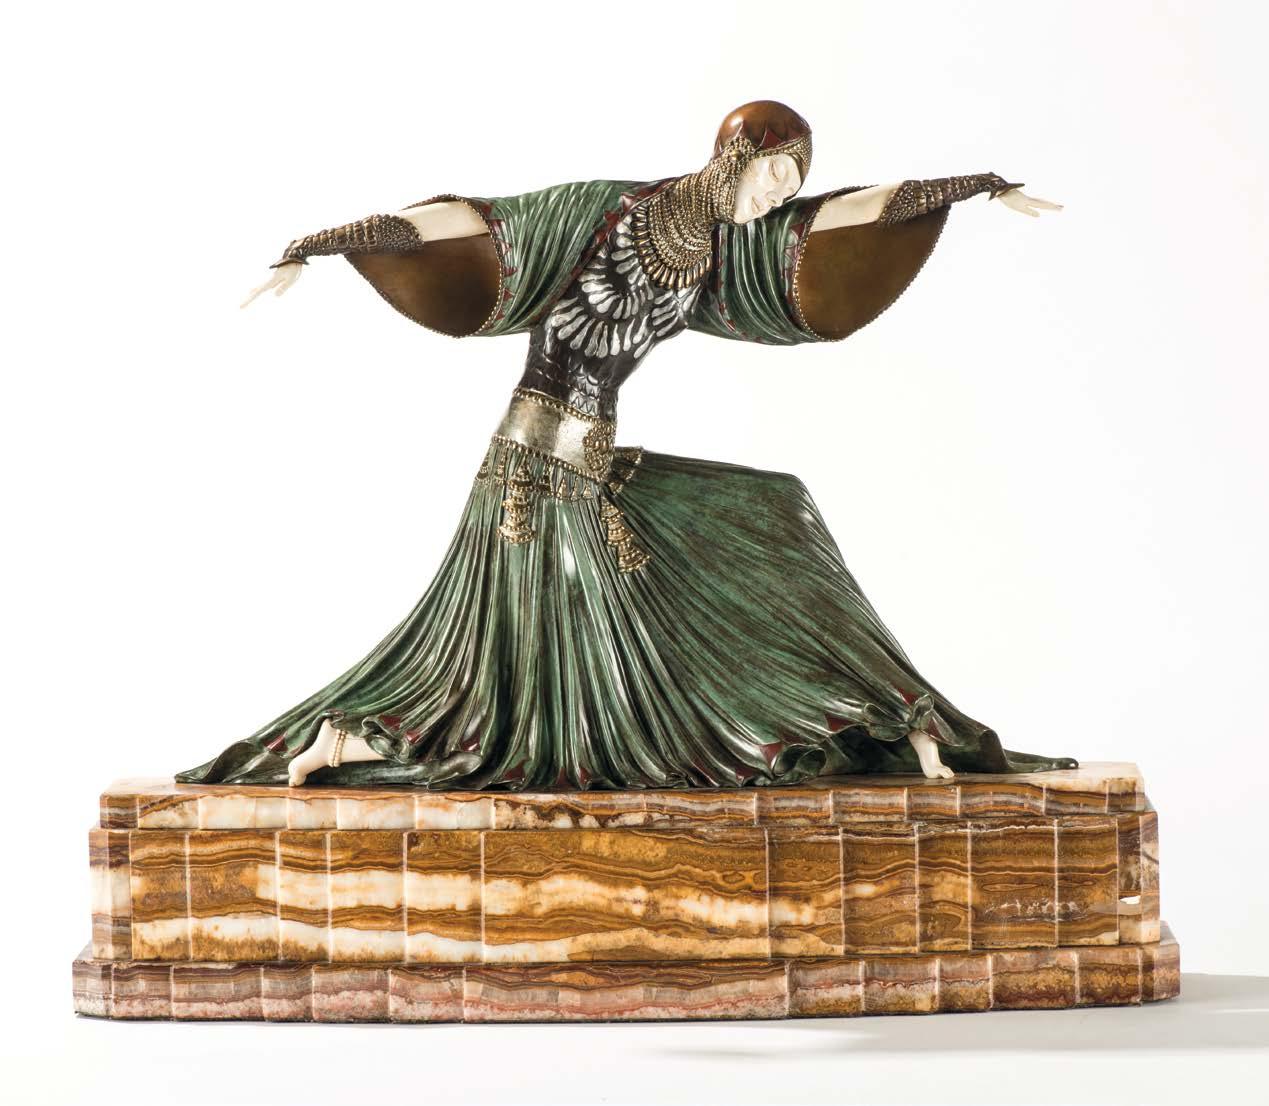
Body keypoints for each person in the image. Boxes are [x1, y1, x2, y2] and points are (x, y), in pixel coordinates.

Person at [178, 100, 1072, 789]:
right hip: (533, 470)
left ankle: (886, 713)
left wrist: (973, 187)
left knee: (774, 508)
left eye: (788, 182)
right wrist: (327, 243)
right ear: (732, 157)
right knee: (526, 674)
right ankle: (347, 740)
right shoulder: (601, 211)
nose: (777, 195)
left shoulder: (723, 251)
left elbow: (844, 216)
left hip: (593, 463)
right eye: (771, 175)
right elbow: (475, 223)